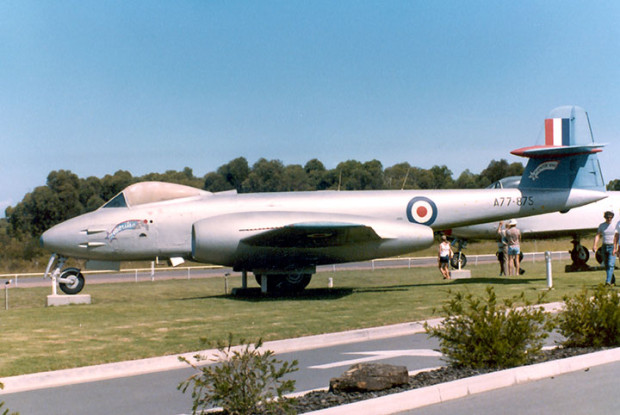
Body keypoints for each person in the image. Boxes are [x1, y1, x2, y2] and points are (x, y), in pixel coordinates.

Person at [594, 211, 617, 286]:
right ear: (605, 218)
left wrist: (616, 247)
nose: (609, 219)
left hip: (612, 246)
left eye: (610, 217)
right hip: (604, 246)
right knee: (606, 264)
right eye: (607, 217)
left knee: (611, 264)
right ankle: (612, 279)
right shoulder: (602, 226)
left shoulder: (615, 226)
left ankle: (607, 282)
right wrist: (595, 245)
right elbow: (598, 235)